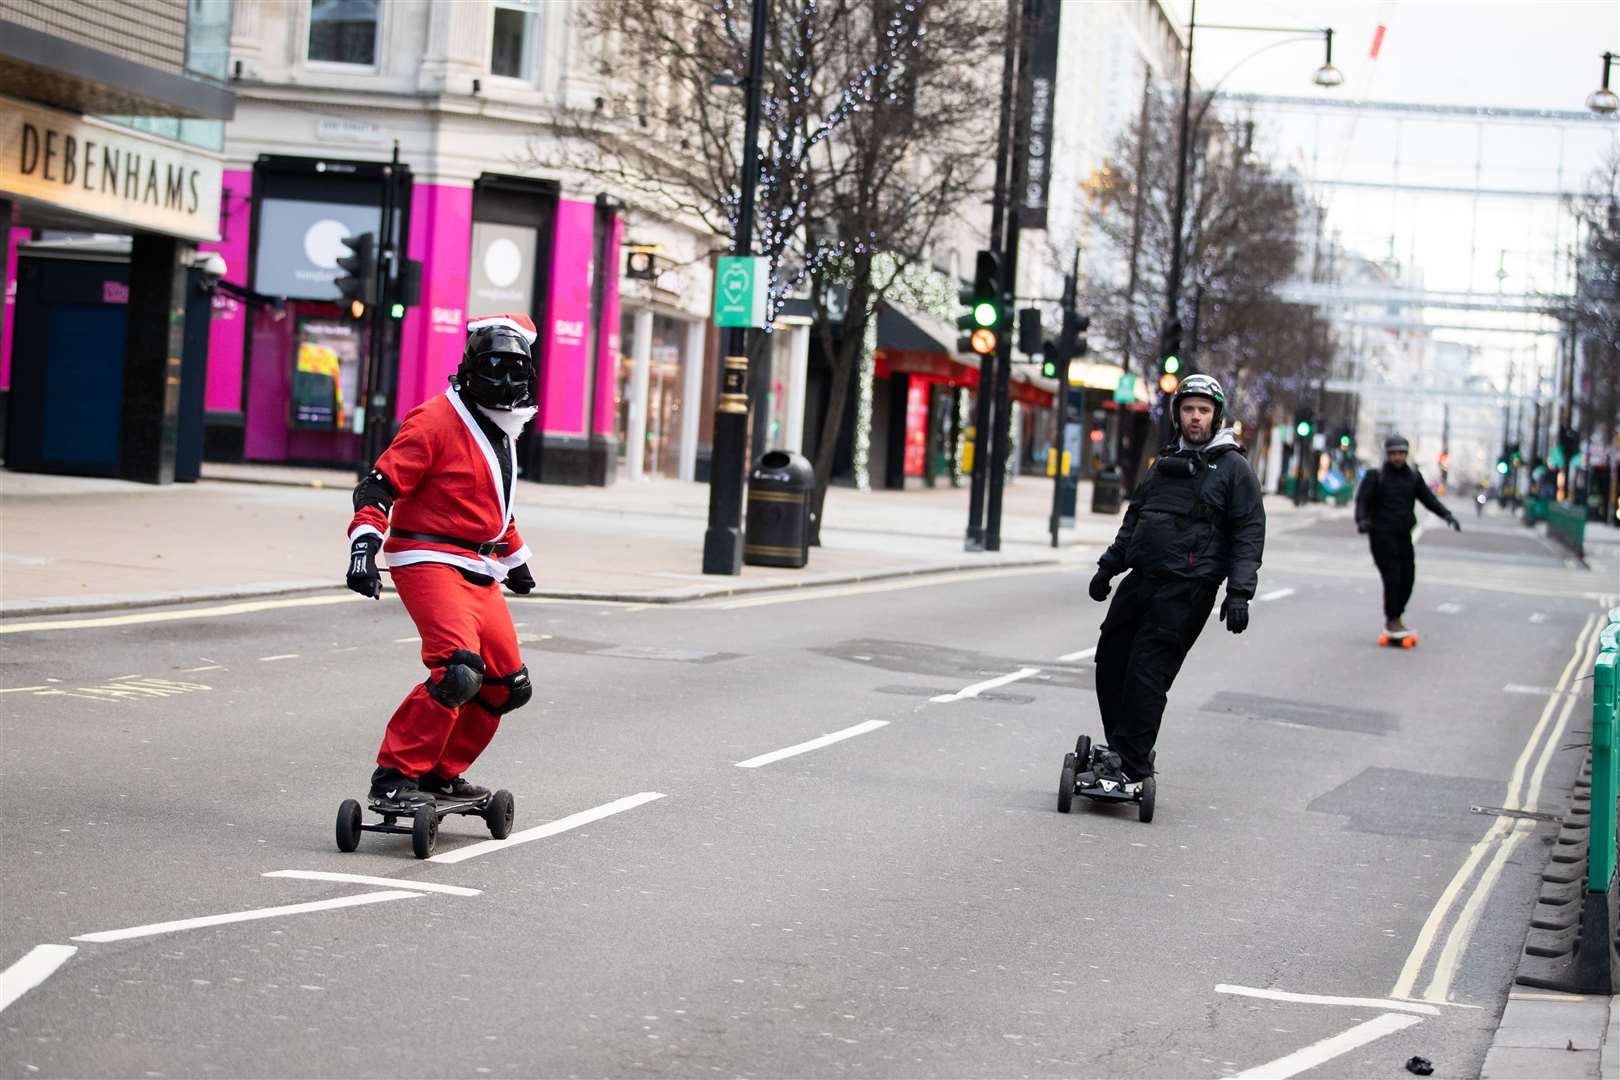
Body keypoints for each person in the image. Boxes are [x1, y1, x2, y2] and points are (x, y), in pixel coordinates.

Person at [344, 314, 540, 810]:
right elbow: (379, 485)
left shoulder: (502, 427)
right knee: (458, 671)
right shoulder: (434, 419)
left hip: (479, 566)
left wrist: (515, 559)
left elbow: (492, 501)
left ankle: (439, 773)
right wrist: (364, 547)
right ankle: (394, 775)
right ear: (471, 369)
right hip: (428, 557)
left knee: (506, 686)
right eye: (497, 367)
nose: (508, 380)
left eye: (517, 369)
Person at [1084, 374, 1266, 792]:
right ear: (1177, 414)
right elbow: (1136, 518)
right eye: (1188, 409)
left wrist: (1239, 592)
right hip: (1143, 578)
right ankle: (1124, 750)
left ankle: (1129, 764)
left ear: (1216, 415)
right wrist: (1108, 567)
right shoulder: (1164, 464)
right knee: (1111, 659)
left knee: (1148, 672)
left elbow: (1249, 532)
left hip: (1188, 588)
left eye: (1203, 410)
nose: (1195, 417)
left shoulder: (1233, 468)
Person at [1353, 433, 1460, 639]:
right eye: (1393, 453)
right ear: (1387, 455)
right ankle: (1392, 620)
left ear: (1406, 454)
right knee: (1392, 577)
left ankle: (1397, 616)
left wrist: (1447, 515)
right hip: (1381, 535)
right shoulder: (1376, 476)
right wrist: (1362, 520)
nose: (1397, 457)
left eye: (1401, 453)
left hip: (1403, 535)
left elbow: (1428, 499)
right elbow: (1362, 501)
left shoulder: (1413, 477)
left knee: (1408, 578)